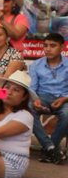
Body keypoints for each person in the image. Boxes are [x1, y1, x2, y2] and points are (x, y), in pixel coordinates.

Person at [28, 32, 68, 164]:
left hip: (64, 99)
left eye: (53, 46)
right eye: (45, 46)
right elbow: (32, 88)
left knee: (67, 114)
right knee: (28, 109)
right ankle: (50, 147)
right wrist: (35, 100)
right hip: (43, 97)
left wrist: (64, 99)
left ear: (62, 47)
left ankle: (49, 149)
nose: (48, 49)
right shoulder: (36, 65)